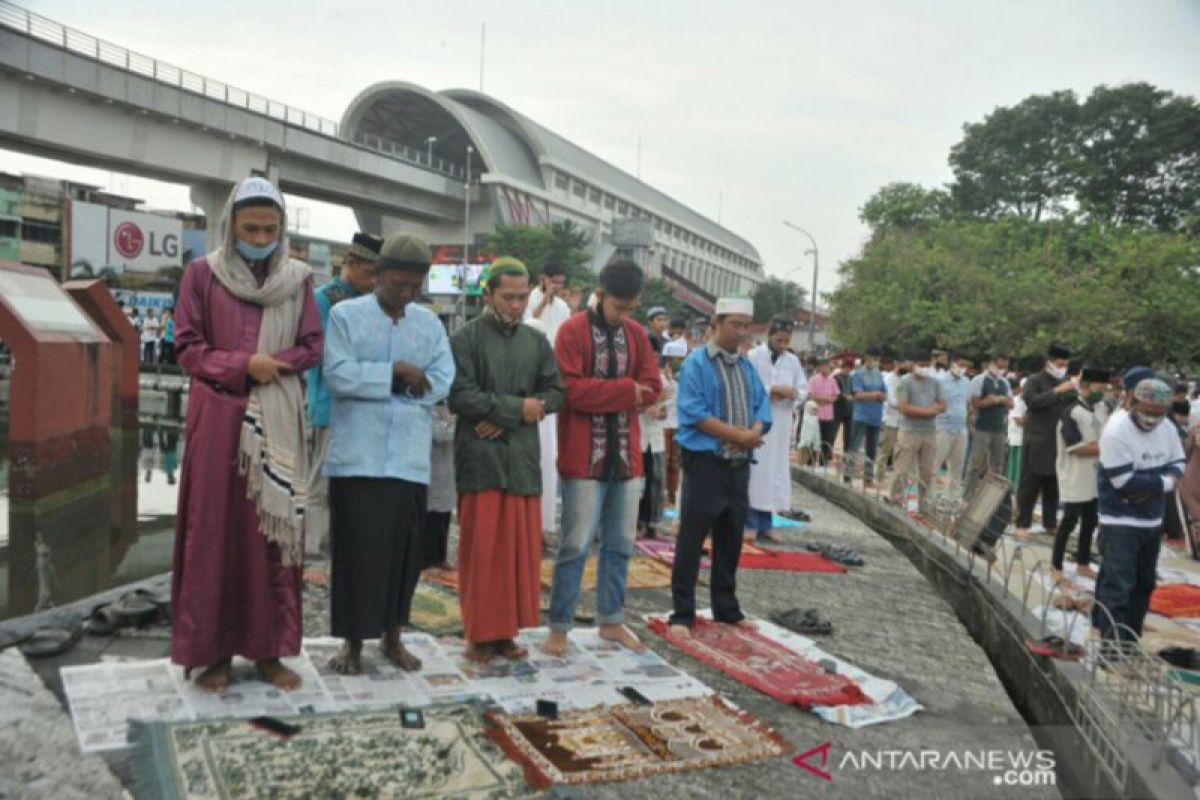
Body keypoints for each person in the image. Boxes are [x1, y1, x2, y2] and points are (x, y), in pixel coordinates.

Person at [171, 176, 322, 692]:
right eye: (251, 228)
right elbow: (188, 348)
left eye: (270, 230)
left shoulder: (298, 280)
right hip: (217, 421)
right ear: (229, 224)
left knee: (272, 536)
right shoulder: (202, 276)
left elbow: (311, 344)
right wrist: (242, 365)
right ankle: (212, 653)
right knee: (213, 535)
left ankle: (268, 651)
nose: (260, 238)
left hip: (275, 416)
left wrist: (271, 365)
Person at [322, 233, 455, 675]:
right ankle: (352, 644)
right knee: (356, 554)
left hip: (408, 461)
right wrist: (393, 375)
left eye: (415, 286)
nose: (406, 293)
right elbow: (338, 375)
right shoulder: (346, 316)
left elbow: (442, 378)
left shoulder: (429, 325)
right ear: (378, 275)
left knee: (403, 555)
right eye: (399, 283)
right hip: (358, 457)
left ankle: (393, 637)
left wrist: (421, 383)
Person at [449, 257, 564, 663]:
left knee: (518, 553)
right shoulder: (465, 339)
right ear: (488, 294)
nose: (516, 305)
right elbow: (460, 396)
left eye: (521, 297)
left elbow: (555, 391)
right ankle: (480, 635)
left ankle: (507, 633)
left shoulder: (536, 343)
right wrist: (517, 410)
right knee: (483, 552)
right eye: (508, 297)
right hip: (480, 462)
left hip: (521, 462)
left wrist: (509, 415)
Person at [543, 260, 661, 657]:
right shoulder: (572, 331)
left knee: (620, 543)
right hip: (583, 458)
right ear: (600, 293)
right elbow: (570, 391)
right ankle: (558, 626)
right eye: (620, 307)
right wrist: (626, 392)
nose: (626, 315)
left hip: (627, 459)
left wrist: (619, 391)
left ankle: (611, 621)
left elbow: (654, 386)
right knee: (575, 544)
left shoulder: (637, 335)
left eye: (632, 308)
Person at [668, 297, 771, 639]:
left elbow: (762, 405)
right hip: (706, 463)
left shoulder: (745, 367)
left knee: (731, 537)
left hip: (738, 464)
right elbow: (693, 412)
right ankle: (682, 613)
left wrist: (754, 432)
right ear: (716, 324)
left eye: (746, 326)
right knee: (692, 540)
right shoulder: (697, 363)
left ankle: (726, 609)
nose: (741, 333)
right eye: (735, 325)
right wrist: (739, 435)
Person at [304, 232, 382, 561]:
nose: (374, 281)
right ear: (350, 264)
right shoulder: (325, 298)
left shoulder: (371, 301)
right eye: (370, 273)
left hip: (360, 406)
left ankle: (337, 548)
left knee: (351, 484)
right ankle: (311, 551)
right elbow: (323, 351)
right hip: (329, 406)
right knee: (321, 483)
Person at [1092, 379, 1185, 652]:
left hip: (1151, 521)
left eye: (1159, 412)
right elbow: (1123, 482)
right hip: (1120, 521)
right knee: (1118, 585)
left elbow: (1178, 463)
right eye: (1148, 411)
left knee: (1144, 585)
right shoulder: (1116, 431)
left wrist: (1151, 483)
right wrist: (1163, 482)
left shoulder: (1166, 428)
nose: (1153, 418)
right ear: (1133, 402)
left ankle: (1129, 643)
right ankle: (1111, 649)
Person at [746, 318, 806, 541]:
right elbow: (749, 385)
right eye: (779, 339)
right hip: (760, 421)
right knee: (756, 473)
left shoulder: (792, 361)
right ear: (769, 334)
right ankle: (750, 522)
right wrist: (772, 389)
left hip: (781, 422)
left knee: (775, 473)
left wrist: (792, 393)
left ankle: (767, 523)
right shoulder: (754, 356)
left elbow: (802, 388)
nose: (782, 344)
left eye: (786, 341)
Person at [525, 260, 573, 542]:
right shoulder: (531, 298)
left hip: (554, 376)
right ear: (543, 279)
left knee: (551, 452)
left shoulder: (564, 307)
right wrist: (543, 298)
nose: (558, 287)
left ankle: (546, 524)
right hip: (532, 377)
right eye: (554, 281)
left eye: (561, 282)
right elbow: (530, 321)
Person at [1050, 367, 1109, 585]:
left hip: (1095, 476)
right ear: (1085, 387)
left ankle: (1083, 564)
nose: (1102, 392)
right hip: (1075, 475)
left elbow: (1104, 441)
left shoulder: (1101, 410)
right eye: (1099, 388)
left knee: (1091, 521)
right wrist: (1102, 447)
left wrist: (1098, 446)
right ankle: (1055, 566)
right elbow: (1076, 448)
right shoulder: (1071, 412)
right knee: (1069, 521)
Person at [1016, 346, 1077, 539]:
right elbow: (1032, 401)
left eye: (1066, 365)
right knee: (1030, 483)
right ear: (1048, 363)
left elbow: (1073, 404)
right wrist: (1058, 390)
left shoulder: (1067, 382)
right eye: (1060, 364)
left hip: (1059, 440)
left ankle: (1050, 523)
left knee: (1054, 484)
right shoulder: (1035, 380)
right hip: (1038, 438)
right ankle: (1022, 523)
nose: (1063, 368)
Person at [888, 353, 947, 516]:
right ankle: (896, 501)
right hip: (909, 431)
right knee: (902, 469)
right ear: (913, 364)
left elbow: (943, 405)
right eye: (921, 364)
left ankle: (924, 506)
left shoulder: (936, 383)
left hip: (929, 432)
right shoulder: (904, 382)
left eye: (927, 364)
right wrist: (926, 411)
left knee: (927, 471)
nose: (924, 368)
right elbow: (903, 407)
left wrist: (931, 411)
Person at [965, 355, 1013, 497]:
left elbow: (1011, 404)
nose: (1001, 370)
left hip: (999, 429)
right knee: (975, 465)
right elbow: (975, 403)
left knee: (997, 467)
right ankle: (967, 496)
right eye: (999, 366)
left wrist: (999, 400)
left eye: (1004, 367)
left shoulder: (1005, 382)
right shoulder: (979, 380)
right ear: (992, 364)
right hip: (982, 427)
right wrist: (992, 401)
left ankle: (990, 499)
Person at [844, 346, 886, 487]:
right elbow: (857, 395)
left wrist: (878, 396)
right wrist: (875, 395)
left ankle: (868, 478)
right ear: (867, 357)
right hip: (861, 415)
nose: (875, 362)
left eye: (877, 360)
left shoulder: (879, 374)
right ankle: (848, 475)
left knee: (872, 448)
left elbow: (885, 394)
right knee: (854, 445)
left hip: (876, 415)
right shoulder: (858, 374)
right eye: (873, 359)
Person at [934, 354, 973, 499]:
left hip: (961, 429)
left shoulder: (966, 382)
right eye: (961, 365)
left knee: (957, 469)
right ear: (953, 363)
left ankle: (951, 500)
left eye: (965, 366)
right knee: (935, 466)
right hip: (943, 427)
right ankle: (927, 500)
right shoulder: (940, 381)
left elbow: (968, 403)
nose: (963, 369)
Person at [424, 400, 457, 569]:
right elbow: (440, 435)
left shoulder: (449, 409)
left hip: (448, 472)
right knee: (431, 516)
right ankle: (427, 559)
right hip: (432, 472)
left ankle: (440, 557)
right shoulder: (428, 410)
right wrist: (458, 423)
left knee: (444, 515)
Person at [663, 338, 687, 507]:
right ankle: (663, 495)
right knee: (664, 461)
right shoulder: (660, 377)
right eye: (677, 359)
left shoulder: (685, 378)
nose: (680, 363)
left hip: (678, 424)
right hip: (663, 425)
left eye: (682, 359)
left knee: (675, 462)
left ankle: (672, 494)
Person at [876, 360, 907, 482]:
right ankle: (879, 477)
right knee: (885, 450)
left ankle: (895, 480)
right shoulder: (889, 379)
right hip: (890, 419)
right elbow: (891, 399)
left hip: (902, 420)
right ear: (897, 365)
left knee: (900, 451)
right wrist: (905, 406)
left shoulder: (904, 380)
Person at [807, 359, 839, 466]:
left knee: (826, 440)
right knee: (813, 439)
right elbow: (812, 396)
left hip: (828, 416)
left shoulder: (832, 381)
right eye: (824, 366)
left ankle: (823, 463)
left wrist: (828, 399)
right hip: (816, 415)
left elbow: (835, 396)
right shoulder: (813, 380)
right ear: (820, 367)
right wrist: (825, 399)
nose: (826, 369)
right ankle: (810, 462)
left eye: (828, 367)